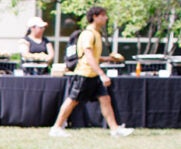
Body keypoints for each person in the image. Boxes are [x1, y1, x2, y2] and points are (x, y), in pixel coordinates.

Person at [48, 6, 134, 138]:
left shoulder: (96, 33)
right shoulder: (88, 34)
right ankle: (56, 127)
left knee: (105, 99)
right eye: (103, 15)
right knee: (72, 100)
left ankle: (115, 129)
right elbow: (88, 56)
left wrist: (108, 59)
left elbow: (93, 56)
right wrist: (102, 74)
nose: (106, 18)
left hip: (92, 74)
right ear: (95, 17)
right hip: (84, 73)